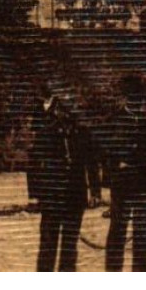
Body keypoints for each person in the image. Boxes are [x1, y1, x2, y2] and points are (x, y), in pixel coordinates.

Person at [28, 90, 98, 271]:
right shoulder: (46, 133)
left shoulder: (83, 134)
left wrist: (95, 192)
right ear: (57, 111)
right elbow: (34, 164)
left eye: (72, 110)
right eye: (64, 110)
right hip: (52, 196)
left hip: (75, 196)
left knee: (70, 244)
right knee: (48, 243)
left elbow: (91, 163)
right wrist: (35, 195)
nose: (68, 114)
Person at [104, 76, 146, 272]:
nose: (136, 102)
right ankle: (113, 270)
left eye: (139, 98)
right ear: (125, 98)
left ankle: (141, 270)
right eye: (132, 98)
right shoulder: (114, 119)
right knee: (118, 227)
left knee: (142, 228)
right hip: (123, 181)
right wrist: (116, 166)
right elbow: (105, 150)